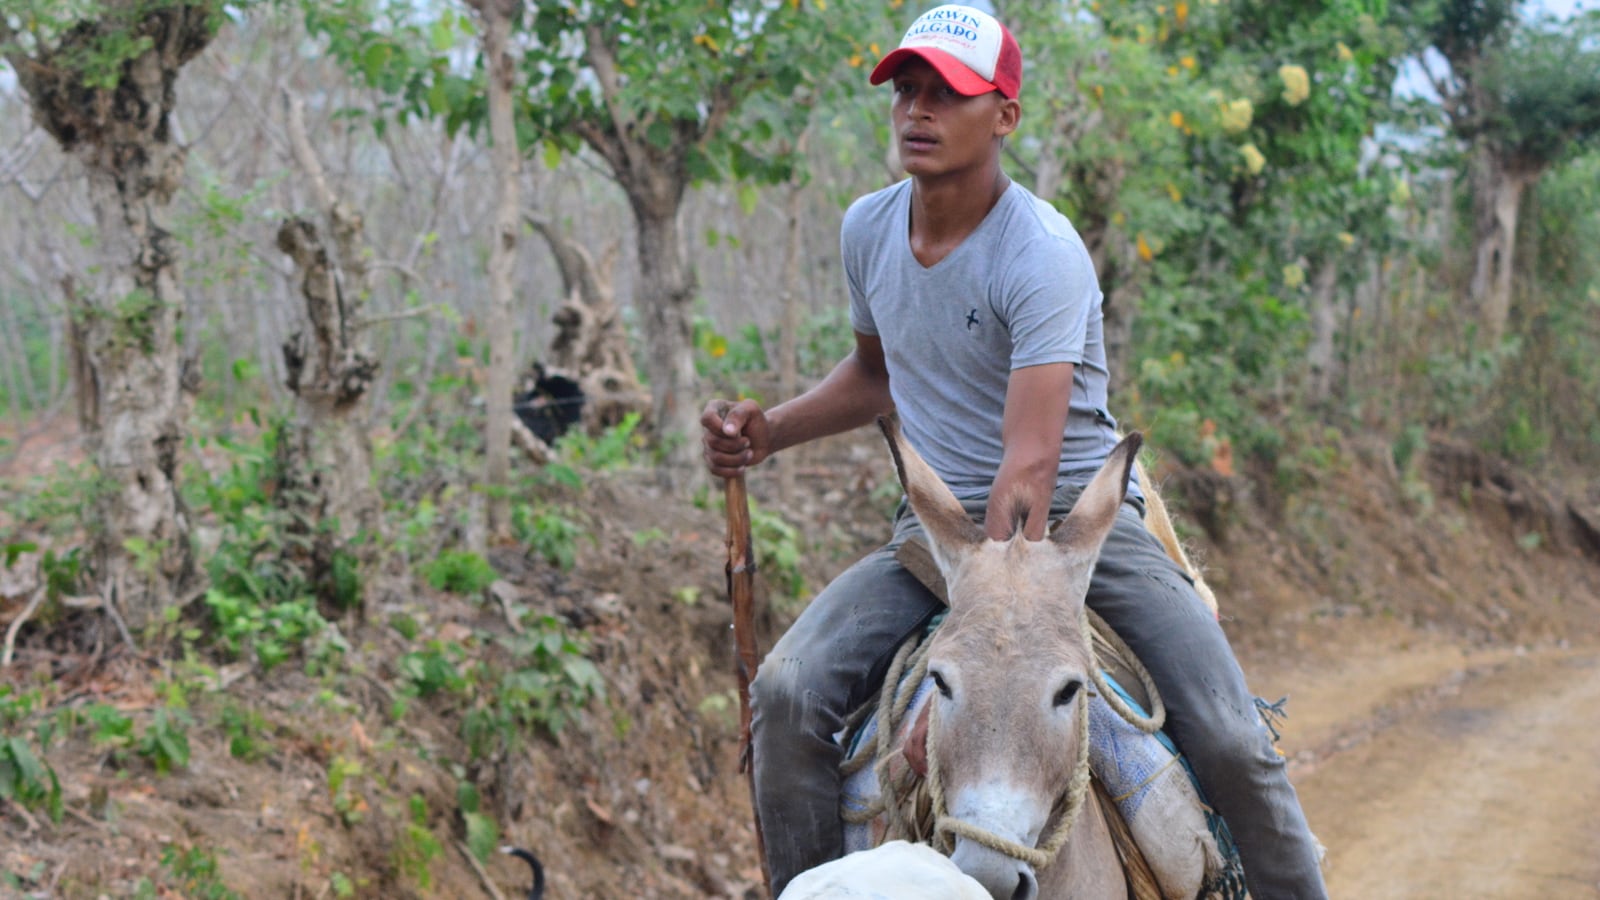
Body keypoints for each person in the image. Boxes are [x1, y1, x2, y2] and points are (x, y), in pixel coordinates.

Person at [700, 5, 1328, 898]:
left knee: (1232, 737)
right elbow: (880, 372)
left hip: (1072, 535)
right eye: (906, 90)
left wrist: (983, 638)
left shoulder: (1041, 252)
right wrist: (772, 430)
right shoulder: (868, 229)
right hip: (934, 538)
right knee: (788, 692)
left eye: (947, 95)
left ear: (1004, 116)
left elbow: (1027, 469)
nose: (917, 111)